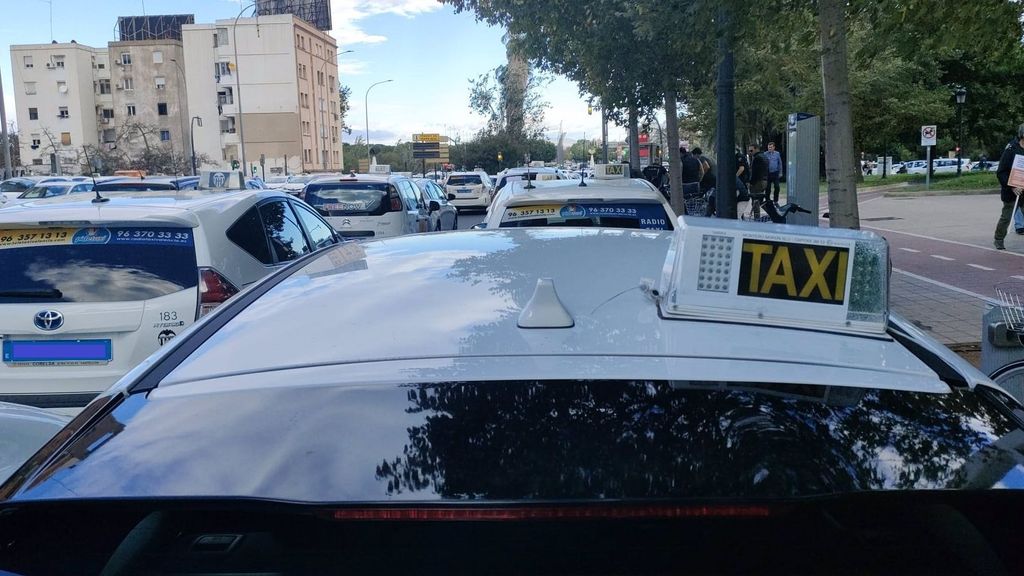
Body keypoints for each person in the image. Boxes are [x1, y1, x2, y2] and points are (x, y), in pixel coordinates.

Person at [994, 124, 1024, 250]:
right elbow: (1001, 172)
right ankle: (999, 239)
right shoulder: (1011, 149)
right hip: (1012, 190)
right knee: (1007, 216)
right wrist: (1012, 186)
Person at [748, 144, 770, 218]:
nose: (750, 152)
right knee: (760, 200)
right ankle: (771, 213)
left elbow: (755, 172)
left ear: (756, 149)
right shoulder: (764, 157)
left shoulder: (757, 158)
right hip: (764, 181)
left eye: (751, 150)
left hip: (758, 182)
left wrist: (751, 182)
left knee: (755, 200)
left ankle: (756, 217)